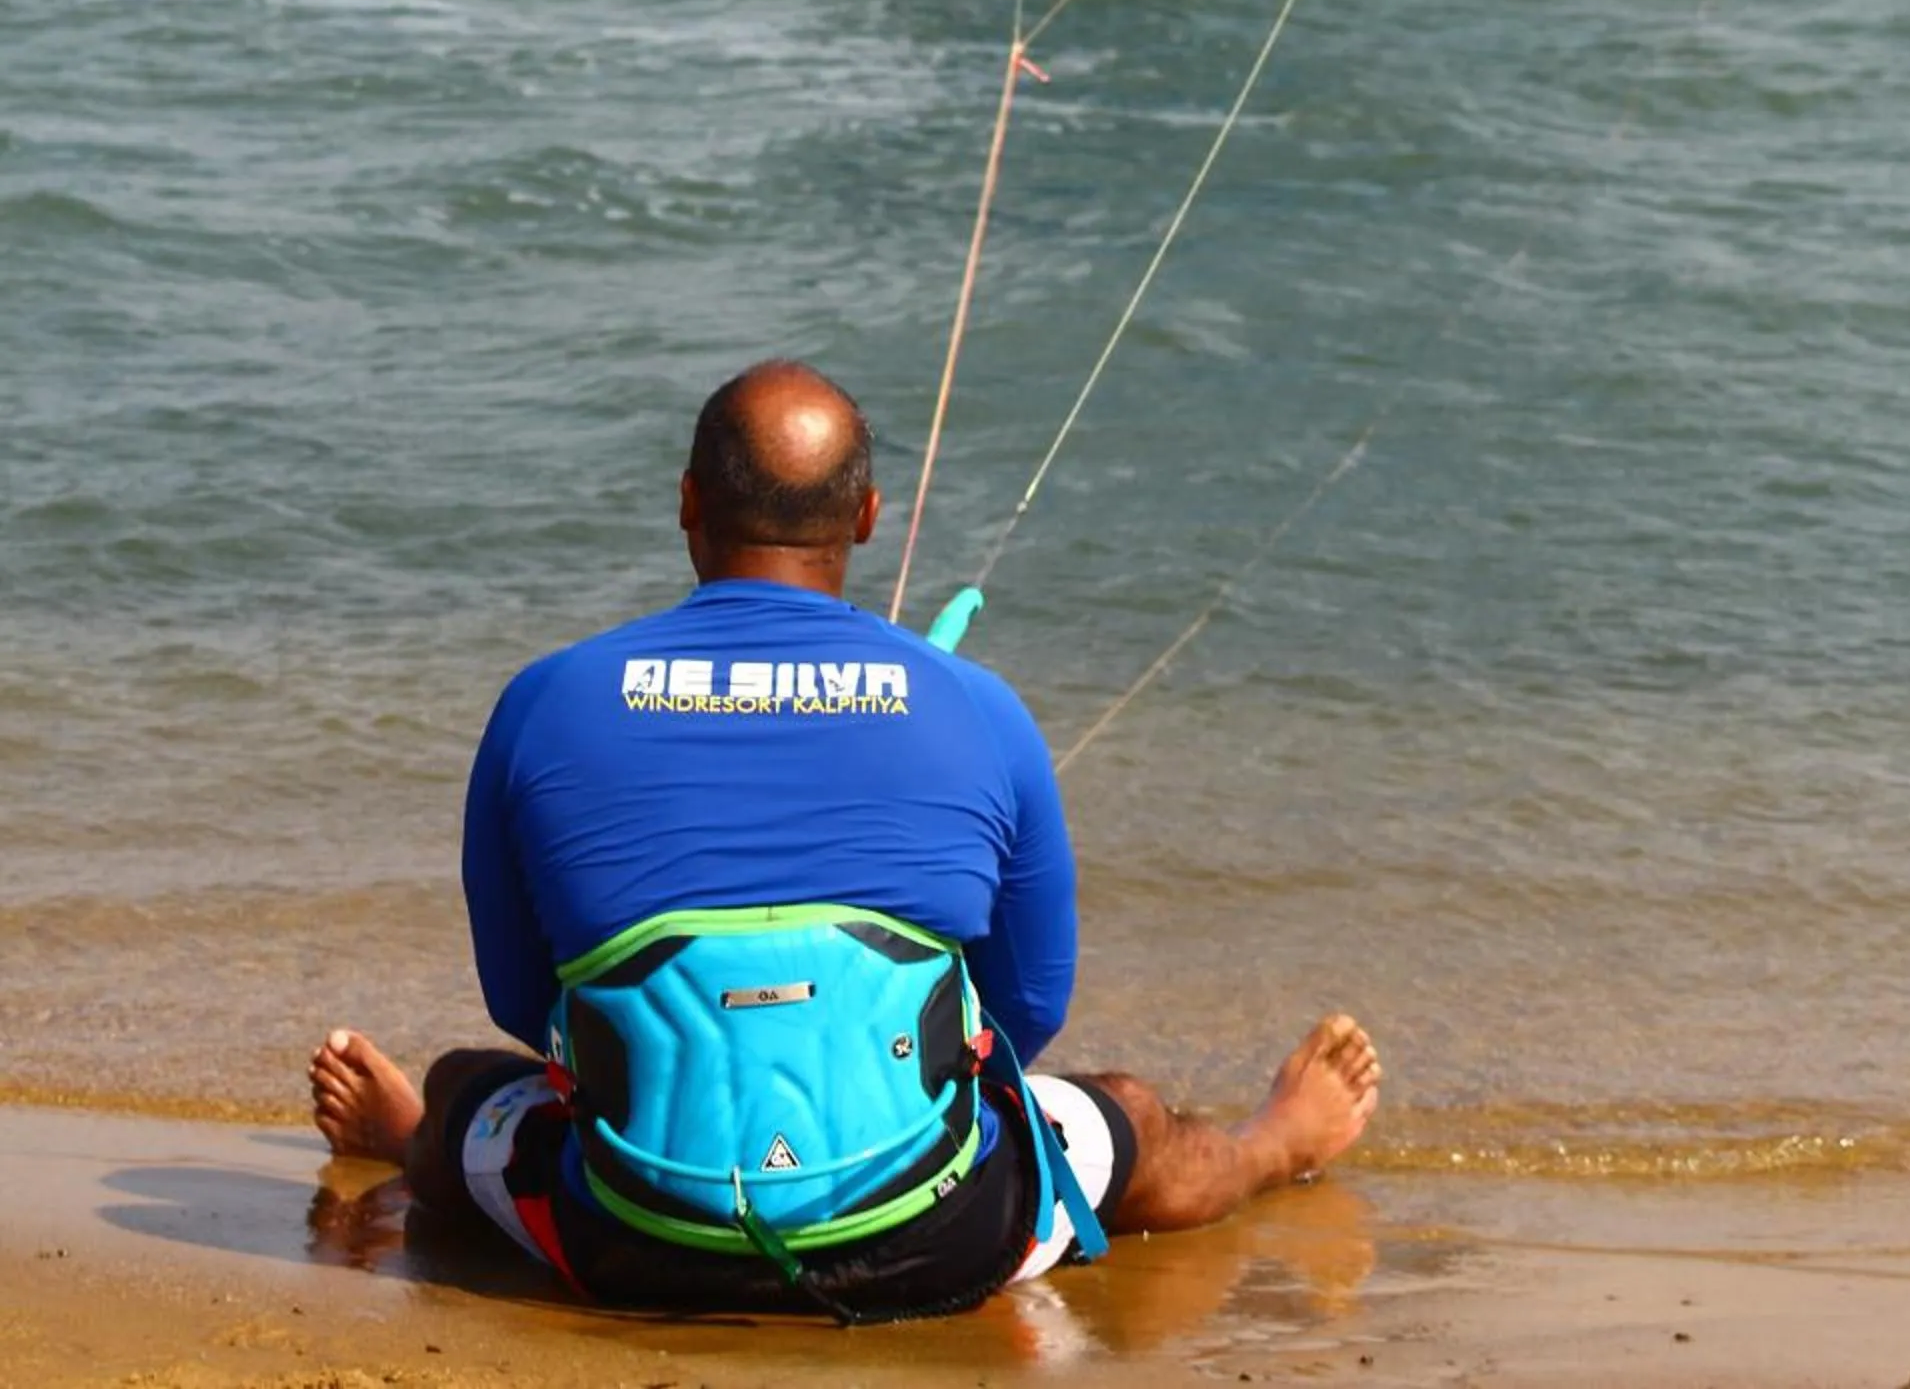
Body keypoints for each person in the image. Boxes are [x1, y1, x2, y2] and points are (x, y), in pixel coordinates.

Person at [310, 359, 1381, 1322]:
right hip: (931, 1243)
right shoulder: (981, 710)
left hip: (631, 1239)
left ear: (686, 505)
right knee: (1130, 1113)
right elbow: (1022, 1018)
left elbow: (522, 1001)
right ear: (866, 517)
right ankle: (1269, 1147)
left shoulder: (542, 703)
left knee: (463, 1086)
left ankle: (414, 1139)